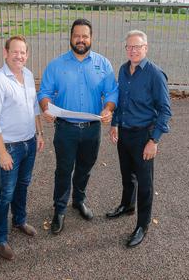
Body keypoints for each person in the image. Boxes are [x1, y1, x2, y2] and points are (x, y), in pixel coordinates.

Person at [38, 18, 118, 234]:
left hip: (92, 130)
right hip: (65, 130)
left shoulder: (104, 65)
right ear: (70, 38)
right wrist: (46, 107)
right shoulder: (56, 65)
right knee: (63, 170)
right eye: (77, 36)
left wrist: (108, 108)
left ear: (91, 38)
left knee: (85, 168)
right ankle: (60, 209)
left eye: (85, 36)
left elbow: (112, 93)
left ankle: (78, 200)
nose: (80, 40)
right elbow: (44, 92)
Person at [107, 29, 172, 248]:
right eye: (129, 47)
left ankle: (143, 225)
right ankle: (127, 205)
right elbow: (121, 101)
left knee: (145, 183)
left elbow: (165, 110)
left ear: (146, 48)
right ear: (126, 49)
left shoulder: (155, 74)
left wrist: (154, 141)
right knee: (127, 174)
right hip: (124, 132)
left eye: (137, 46)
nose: (133, 50)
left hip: (144, 135)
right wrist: (115, 124)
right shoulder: (124, 70)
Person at [0, 35, 45, 261]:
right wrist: (1, 152)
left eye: (23, 52)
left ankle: (19, 221)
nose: (19, 56)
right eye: (15, 52)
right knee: (5, 193)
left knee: (23, 185)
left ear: (27, 55)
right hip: (9, 147)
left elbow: (34, 107)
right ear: (5, 53)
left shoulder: (28, 75)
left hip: (29, 143)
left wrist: (39, 133)